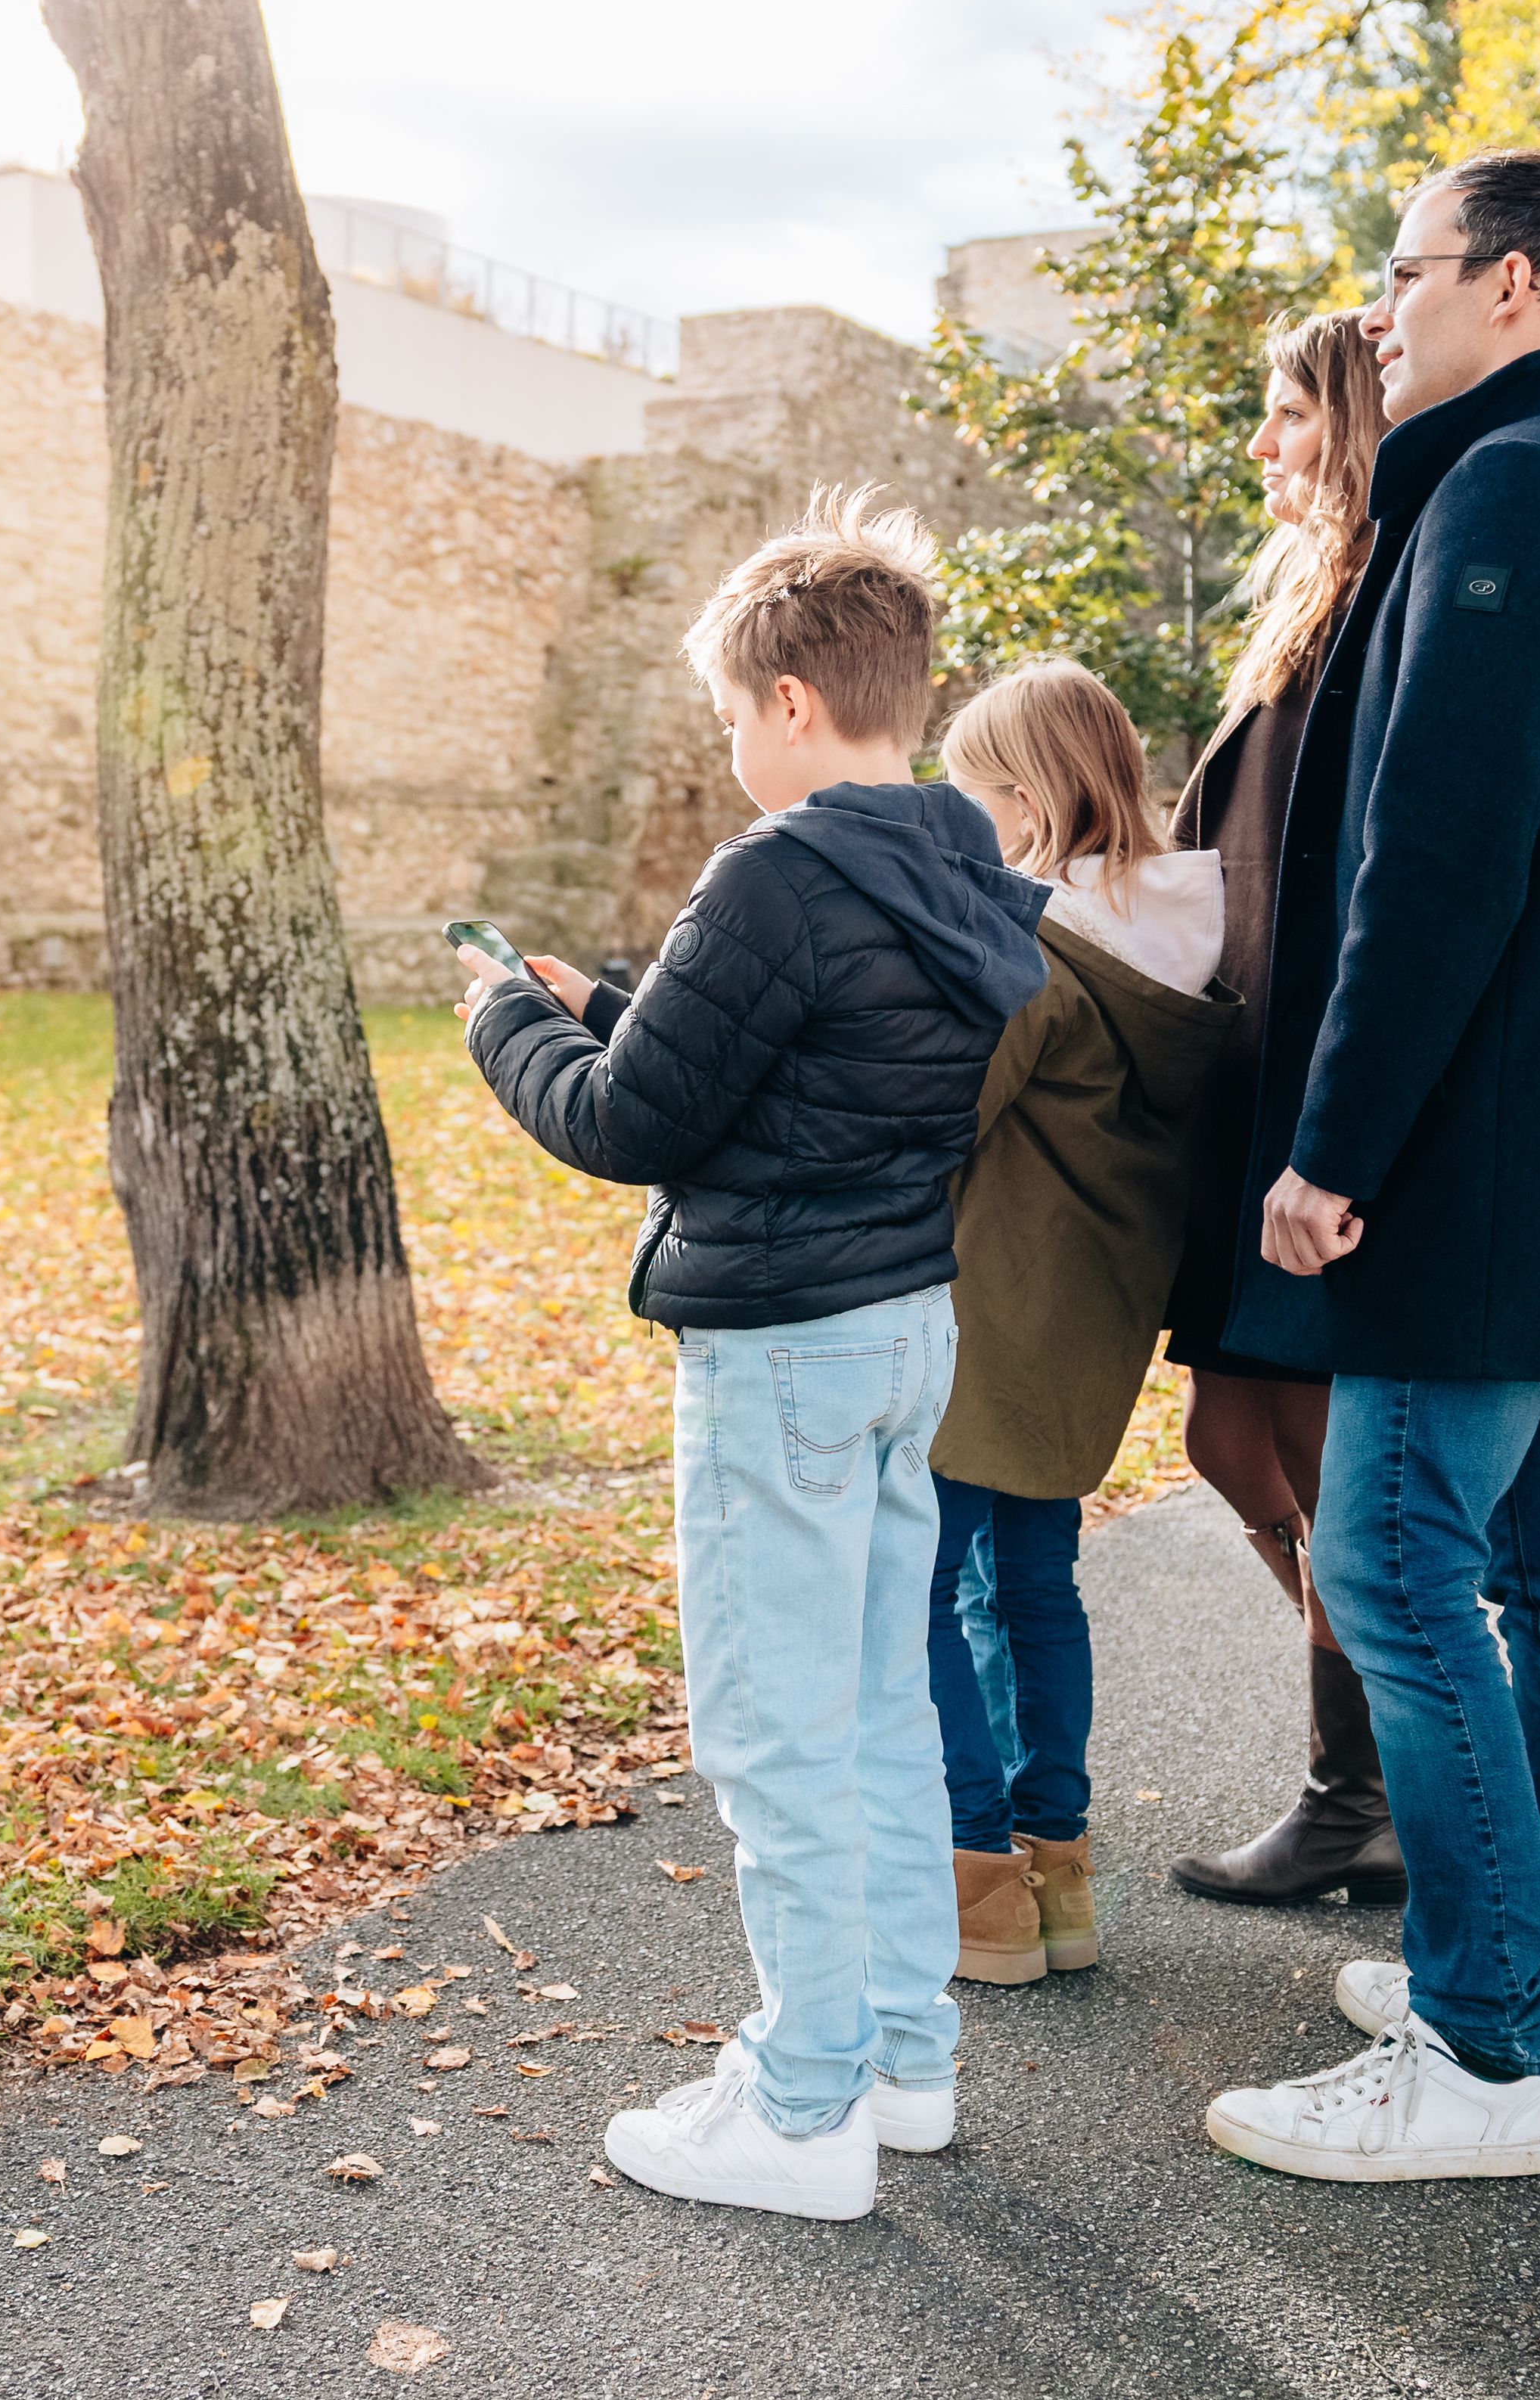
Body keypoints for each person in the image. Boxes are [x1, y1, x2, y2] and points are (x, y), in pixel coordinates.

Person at [1200, 151, 1540, 2184]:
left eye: (1400, 272)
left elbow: (1436, 860)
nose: (1376, 311)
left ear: (1510, 284)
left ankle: (1479, 2047)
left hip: (1483, 1157)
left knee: (1396, 1564)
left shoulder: (1506, 496)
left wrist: (1332, 1146)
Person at [459, 487, 1051, 2222]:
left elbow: (632, 1119)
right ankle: (898, 2059)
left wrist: (512, 1017)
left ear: (792, 697)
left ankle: (799, 2107)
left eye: (731, 713)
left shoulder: (777, 872)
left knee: (773, 1730)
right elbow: (813, 1045)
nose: (728, 746)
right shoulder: (960, 865)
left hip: (784, 1351)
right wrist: (638, 985)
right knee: (873, 1708)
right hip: (903, 1326)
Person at [920, 661, 1234, 1986]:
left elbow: (943, 1121)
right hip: (1087, 1330)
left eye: (969, 795)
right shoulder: (1189, 943)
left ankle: (975, 1878)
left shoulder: (1028, 956)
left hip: (977, 1312)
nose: (955, 822)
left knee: (924, 1592)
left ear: (1029, 797)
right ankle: (1061, 1872)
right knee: (1034, 1587)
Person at [1161, 314, 1406, 1910]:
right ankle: (1388, 1743)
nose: (1263, 448)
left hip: (1307, 1103)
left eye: (1285, 416)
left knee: (1315, 1454)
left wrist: (1333, 1127)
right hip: (1235, 1091)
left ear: (1355, 423)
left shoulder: (1383, 600)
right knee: (1224, 1428)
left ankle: (1359, 1790)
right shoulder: (1297, 615)